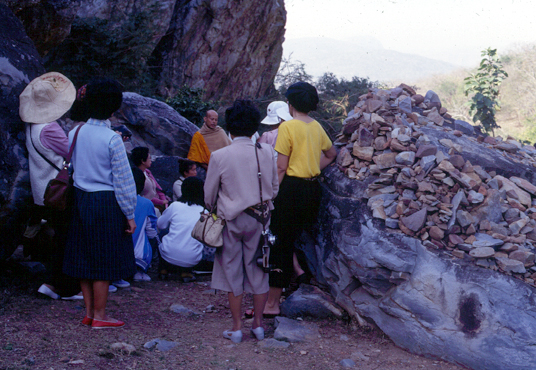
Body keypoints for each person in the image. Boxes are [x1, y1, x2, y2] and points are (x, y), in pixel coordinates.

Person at [63, 77, 137, 329]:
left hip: (80, 198)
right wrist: (129, 214)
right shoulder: (112, 139)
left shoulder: (76, 131)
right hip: (106, 203)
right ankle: (101, 315)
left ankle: (88, 312)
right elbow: (124, 182)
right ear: (113, 107)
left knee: (83, 258)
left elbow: (72, 166)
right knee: (103, 260)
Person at [204, 100, 279, 343]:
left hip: (231, 220)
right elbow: (274, 189)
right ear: (254, 126)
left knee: (231, 271)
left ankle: (236, 328)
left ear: (230, 128)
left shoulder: (219, 155)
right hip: (261, 221)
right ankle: (257, 326)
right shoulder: (267, 152)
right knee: (259, 272)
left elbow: (209, 196)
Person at [264, 82, 337, 317]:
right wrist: (314, 167)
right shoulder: (316, 127)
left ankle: (272, 303)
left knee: (280, 244)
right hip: (312, 190)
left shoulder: (288, 127)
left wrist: (270, 194)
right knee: (295, 239)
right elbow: (331, 154)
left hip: (291, 190)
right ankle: (294, 284)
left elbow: (281, 167)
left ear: (290, 103)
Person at [19, 72, 81, 300]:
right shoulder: (50, 129)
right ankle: (59, 286)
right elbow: (71, 153)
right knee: (65, 239)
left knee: (56, 238)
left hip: (42, 191)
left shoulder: (31, 126)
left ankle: (52, 282)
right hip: (59, 191)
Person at [157, 177, 205, 282]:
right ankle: (186, 272)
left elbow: (160, 225)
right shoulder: (204, 211)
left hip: (168, 255)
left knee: (163, 234)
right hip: (192, 259)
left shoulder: (175, 206)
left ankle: (163, 270)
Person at [131, 166, 159, 282]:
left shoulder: (113, 200)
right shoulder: (146, 204)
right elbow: (151, 232)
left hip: (114, 255)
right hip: (138, 257)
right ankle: (141, 271)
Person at [131, 146, 169, 214]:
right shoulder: (136, 176)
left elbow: (158, 188)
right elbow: (144, 196)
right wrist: (161, 202)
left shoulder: (147, 172)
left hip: (158, 204)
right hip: (148, 206)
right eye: (149, 158)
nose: (151, 160)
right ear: (143, 161)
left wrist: (164, 200)